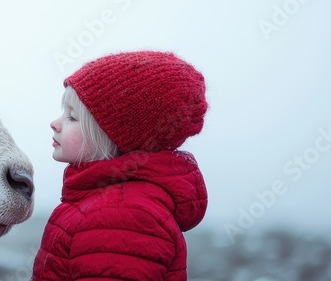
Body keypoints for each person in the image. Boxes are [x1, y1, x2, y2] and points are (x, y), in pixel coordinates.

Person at [32, 50, 209, 280]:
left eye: (73, 117)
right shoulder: (99, 203)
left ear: (114, 136)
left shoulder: (122, 216)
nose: (55, 123)